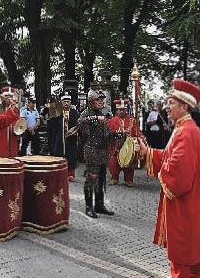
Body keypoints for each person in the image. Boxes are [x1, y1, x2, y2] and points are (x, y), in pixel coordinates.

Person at [138, 79, 200, 278]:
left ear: (184, 106)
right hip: (195, 195)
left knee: (181, 237)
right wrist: (149, 153)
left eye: (171, 103)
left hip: (183, 197)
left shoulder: (184, 131)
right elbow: (170, 156)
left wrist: (163, 171)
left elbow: (179, 170)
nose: (166, 106)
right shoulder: (188, 128)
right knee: (193, 235)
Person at [78, 89, 115, 219]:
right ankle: (89, 207)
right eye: (98, 100)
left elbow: (107, 132)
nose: (101, 101)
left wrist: (116, 134)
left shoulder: (104, 114)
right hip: (91, 149)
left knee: (102, 177)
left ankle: (99, 205)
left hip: (102, 150)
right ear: (91, 101)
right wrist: (94, 118)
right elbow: (80, 123)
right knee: (91, 177)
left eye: (101, 100)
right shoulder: (86, 113)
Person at [107, 98, 145, 187]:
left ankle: (128, 179)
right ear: (117, 110)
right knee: (114, 162)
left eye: (123, 109)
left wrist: (140, 136)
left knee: (129, 162)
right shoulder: (112, 121)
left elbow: (137, 131)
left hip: (128, 145)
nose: (121, 111)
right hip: (115, 145)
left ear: (126, 110)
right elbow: (108, 132)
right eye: (119, 110)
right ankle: (114, 178)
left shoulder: (132, 120)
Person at [47, 93, 80, 182]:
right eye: (64, 101)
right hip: (59, 137)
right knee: (59, 153)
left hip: (71, 137)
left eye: (68, 101)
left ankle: (71, 174)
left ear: (70, 102)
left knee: (71, 154)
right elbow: (52, 126)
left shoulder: (74, 112)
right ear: (61, 102)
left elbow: (78, 125)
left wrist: (74, 131)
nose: (66, 103)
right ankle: (59, 173)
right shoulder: (57, 112)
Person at [0, 86, 20, 157]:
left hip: (13, 133)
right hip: (2, 133)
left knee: (12, 153)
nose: (9, 99)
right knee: (2, 152)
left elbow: (18, 120)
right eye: (7, 96)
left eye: (10, 96)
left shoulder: (15, 108)